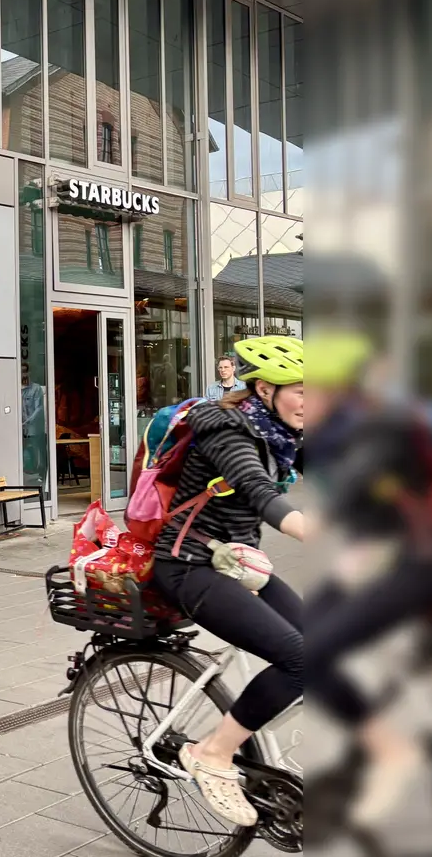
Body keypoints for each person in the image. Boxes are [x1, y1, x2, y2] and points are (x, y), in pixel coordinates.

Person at [149, 336, 309, 828]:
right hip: (189, 564)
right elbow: (259, 491)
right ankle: (211, 752)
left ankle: (255, 733)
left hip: (236, 563)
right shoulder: (228, 431)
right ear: (264, 390)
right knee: (298, 656)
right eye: (301, 390)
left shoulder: (283, 433)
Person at [306, 331, 432, 825]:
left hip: (420, 560)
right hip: (378, 555)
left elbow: (351, 489)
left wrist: (313, 523)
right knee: (302, 635)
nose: (310, 400)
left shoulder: (381, 427)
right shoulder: (341, 430)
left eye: (317, 389)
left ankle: (393, 752)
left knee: (313, 654)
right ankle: (377, 726)